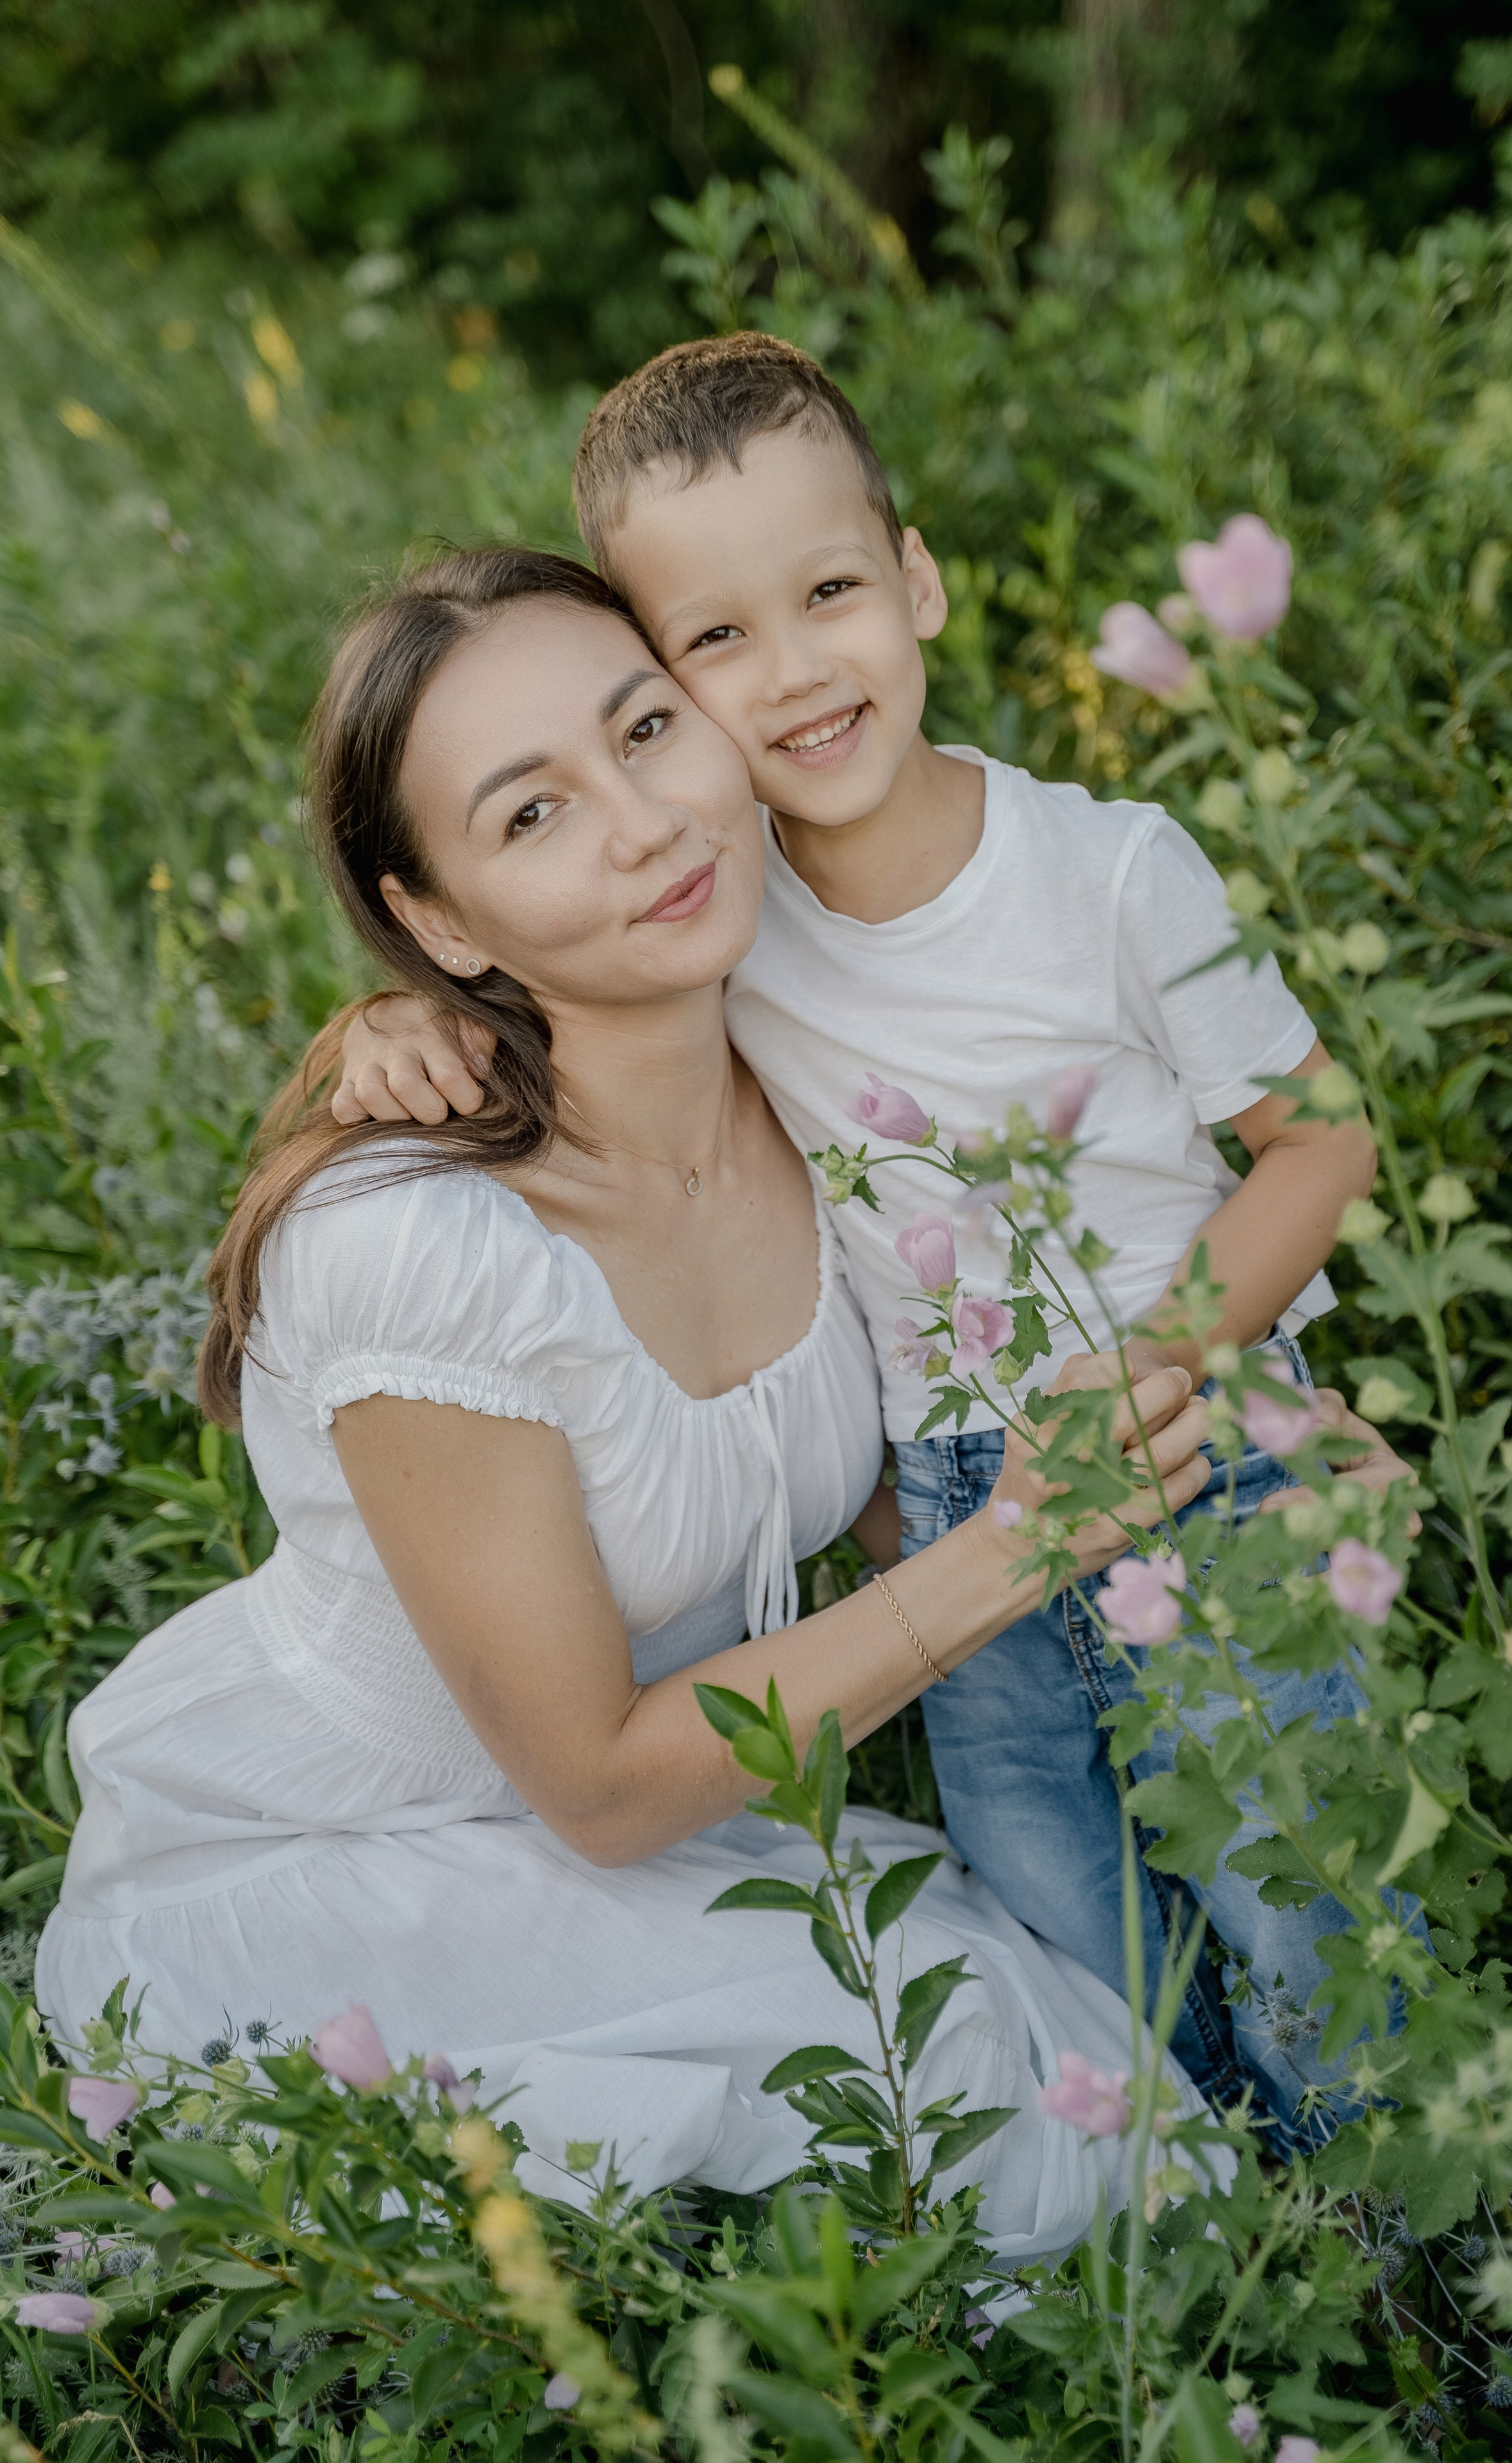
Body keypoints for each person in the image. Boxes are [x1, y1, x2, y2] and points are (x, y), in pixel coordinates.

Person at [35, 547, 1228, 2253]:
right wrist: (1013, 1555)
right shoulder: (422, 1255)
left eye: (649, 729)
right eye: (530, 816)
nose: (645, 824)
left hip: (696, 1797)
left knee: (1108, 2001)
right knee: (996, 2073)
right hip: (373, 1859)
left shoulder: (819, 1061)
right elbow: (595, 1787)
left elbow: (928, 1451)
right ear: (438, 921)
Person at [331, 335, 1406, 2154]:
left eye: (831, 592)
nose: (795, 671)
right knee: (1060, 1895)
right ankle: (1237, 2202)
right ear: (666, 690)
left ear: (915, 586)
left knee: (1294, 1877)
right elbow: (540, 965)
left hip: (1183, 1431)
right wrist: (362, 1033)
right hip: (943, 1488)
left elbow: (1327, 1132)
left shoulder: (1111, 871)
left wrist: (1189, 1357)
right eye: (717, 643)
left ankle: (1409, 2243)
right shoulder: (724, 917)